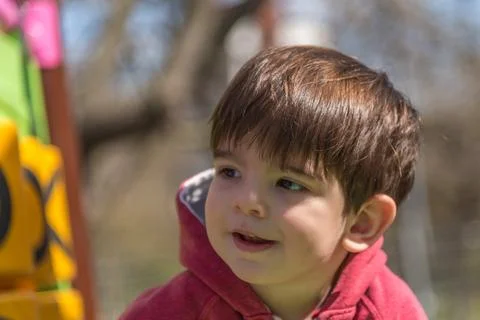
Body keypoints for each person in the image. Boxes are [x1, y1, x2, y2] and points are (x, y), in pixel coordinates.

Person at [120, 46, 428, 320]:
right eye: (229, 172)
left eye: (288, 183)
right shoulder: (167, 312)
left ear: (362, 222)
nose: (247, 200)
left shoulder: (390, 311)